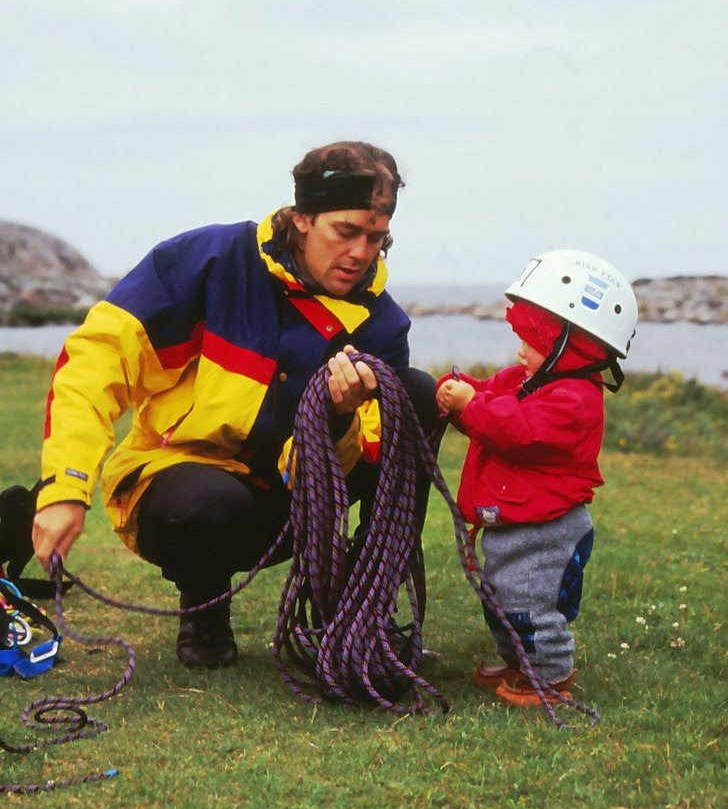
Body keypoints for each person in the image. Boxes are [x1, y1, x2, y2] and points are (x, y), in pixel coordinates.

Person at [32, 141, 439, 670]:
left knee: (417, 393)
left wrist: (336, 418)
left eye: (376, 237)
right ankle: (205, 607)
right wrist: (64, 488)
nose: (361, 253)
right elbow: (94, 363)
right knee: (207, 504)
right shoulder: (206, 261)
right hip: (186, 487)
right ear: (302, 219)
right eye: (346, 232)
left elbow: (340, 466)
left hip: (298, 498)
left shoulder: (382, 324)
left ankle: (361, 601)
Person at [436, 249, 638, 707]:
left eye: (531, 340)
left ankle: (548, 673)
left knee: (529, 603)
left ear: (571, 346)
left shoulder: (574, 400)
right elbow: (491, 398)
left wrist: (470, 405)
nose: (521, 350)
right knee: (501, 599)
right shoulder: (529, 379)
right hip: (515, 523)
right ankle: (519, 663)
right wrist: (459, 393)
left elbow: (516, 429)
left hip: (546, 530)